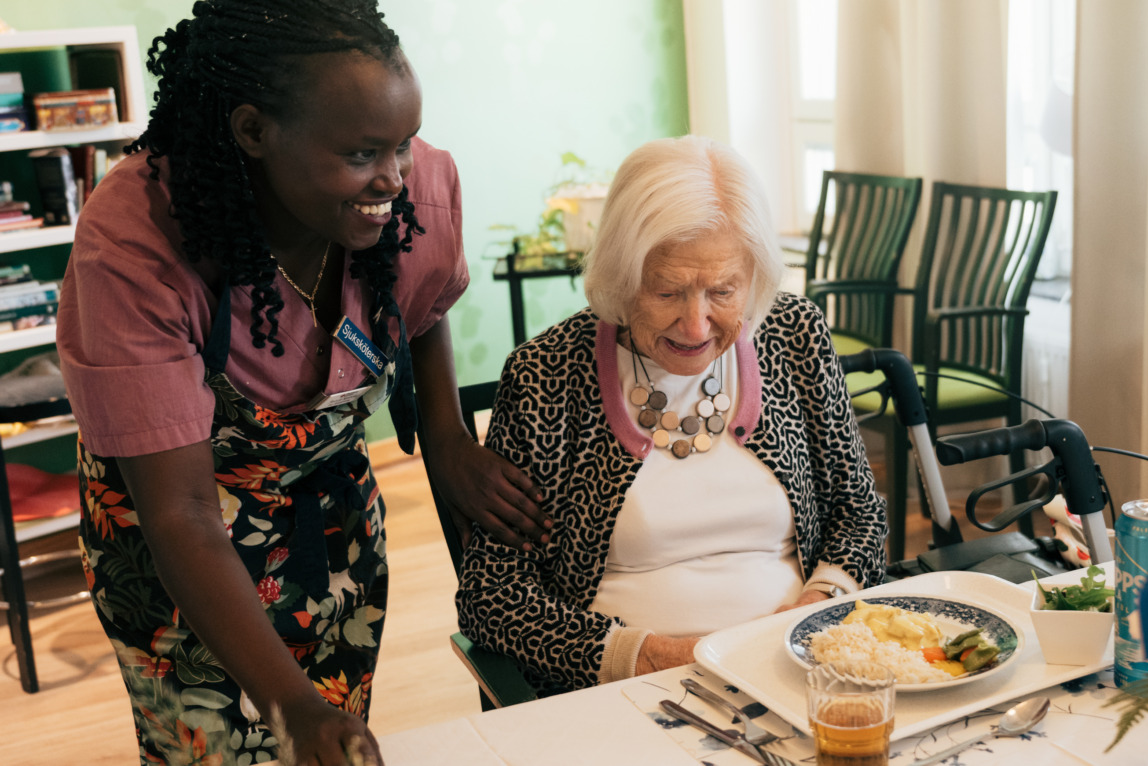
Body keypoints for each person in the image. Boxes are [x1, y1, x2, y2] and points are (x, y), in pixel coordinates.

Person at [55, 2, 547, 764]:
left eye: (404, 145)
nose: (392, 178)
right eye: (361, 155)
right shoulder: (136, 244)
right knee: (221, 747)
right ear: (253, 132)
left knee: (337, 733)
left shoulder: (414, 190)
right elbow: (181, 513)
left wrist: (446, 438)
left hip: (330, 518)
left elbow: (419, 305)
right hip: (178, 544)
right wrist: (290, 706)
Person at [455, 135, 888, 695]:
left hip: (799, 666)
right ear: (621, 273)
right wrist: (661, 658)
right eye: (667, 291)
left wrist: (815, 613)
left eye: (723, 290)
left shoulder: (794, 335)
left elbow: (860, 515)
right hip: (628, 690)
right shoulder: (547, 374)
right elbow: (493, 598)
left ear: (753, 277)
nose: (696, 325)